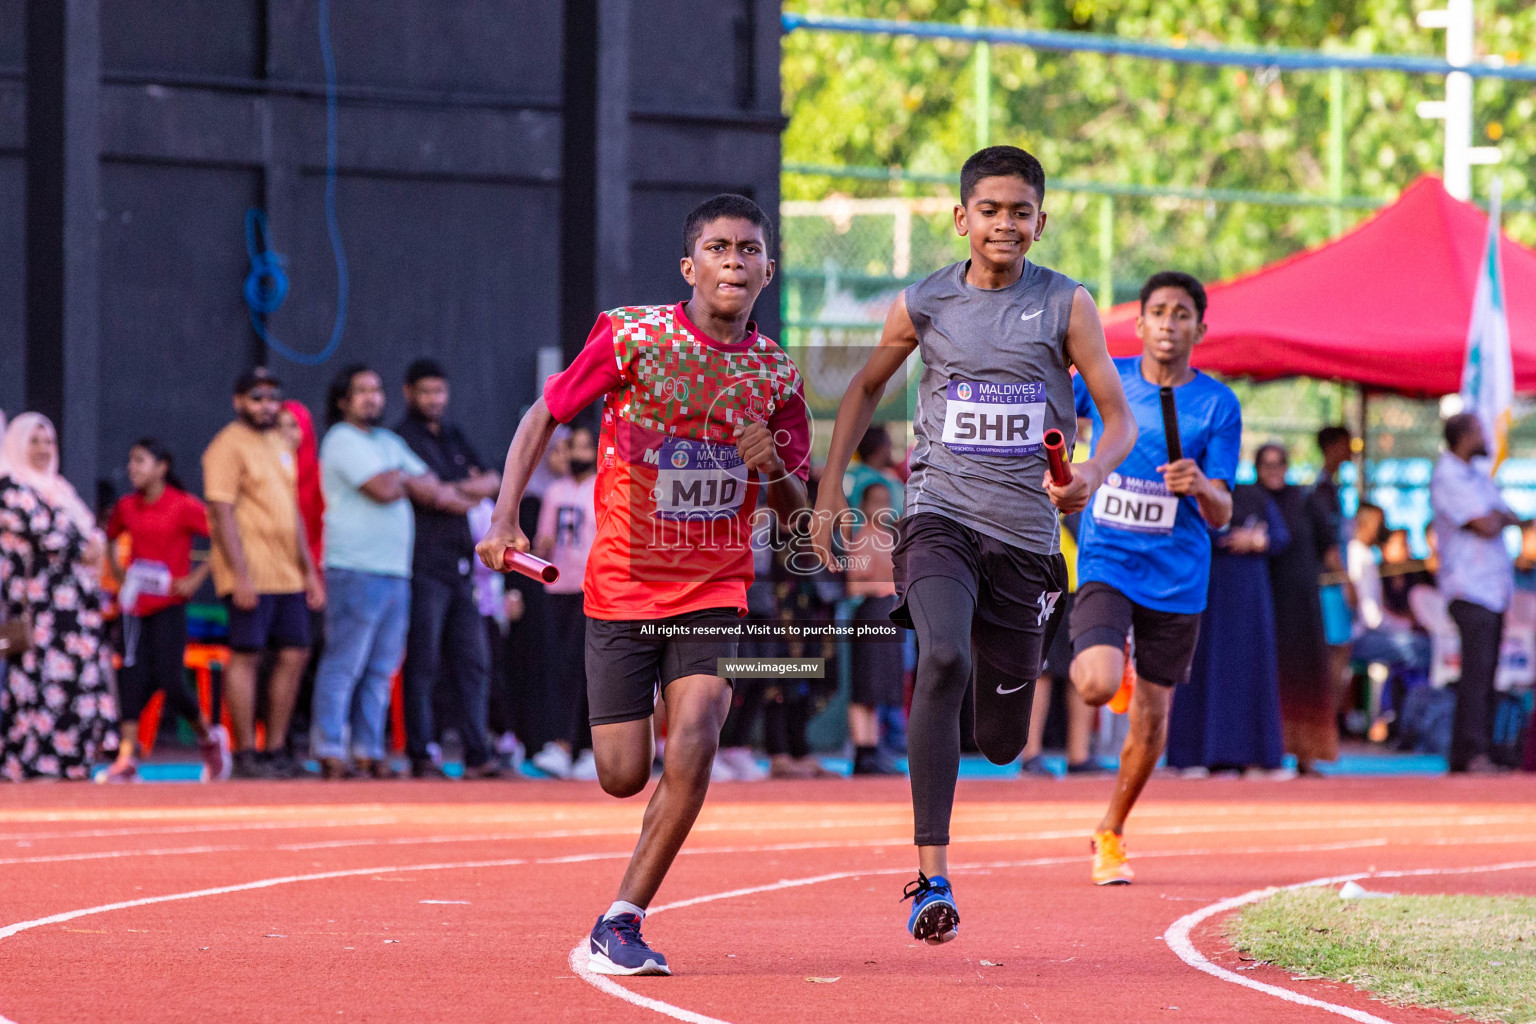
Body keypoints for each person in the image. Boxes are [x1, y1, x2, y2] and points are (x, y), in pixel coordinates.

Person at [476, 193, 811, 975]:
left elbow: (796, 518)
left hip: (716, 587)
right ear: (690, 266)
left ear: (769, 267)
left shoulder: (776, 374)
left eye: (749, 249)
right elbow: (542, 415)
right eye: (720, 248)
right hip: (623, 585)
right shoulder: (633, 335)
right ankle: (634, 764)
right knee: (623, 775)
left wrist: (775, 472)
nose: (735, 260)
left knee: (696, 735)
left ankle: (620, 920)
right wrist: (504, 517)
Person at [812, 146, 1136, 941]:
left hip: (1026, 540)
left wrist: (1091, 468)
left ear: (1041, 221)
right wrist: (827, 493)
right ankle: (931, 877)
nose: (1004, 224)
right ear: (961, 218)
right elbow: (861, 389)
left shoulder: (1067, 304)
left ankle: (983, 728)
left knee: (999, 741)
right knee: (944, 655)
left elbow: (1118, 415)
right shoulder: (924, 302)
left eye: (1019, 211)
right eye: (989, 210)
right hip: (938, 518)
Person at [1068, 270, 1240, 885]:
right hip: (1108, 561)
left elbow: (1224, 512)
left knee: (1150, 721)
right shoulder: (1106, 379)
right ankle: (1118, 663)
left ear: (1199, 327)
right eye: (1159, 312)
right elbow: (1051, 404)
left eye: (1182, 314)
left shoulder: (1218, 405)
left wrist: (1201, 487)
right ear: (1139, 324)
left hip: (1178, 579)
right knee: (1094, 685)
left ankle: (1111, 830)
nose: (1169, 324)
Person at [311, 364, 463, 780]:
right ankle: (329, 748)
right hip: (355, 568)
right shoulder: (341, 439)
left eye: (376, 390)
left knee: (381, 669)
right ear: (343, 400)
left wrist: (404, 480)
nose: (372, 398)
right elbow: (383, 490)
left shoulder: (388, 441)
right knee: (346, 663)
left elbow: (431, 485)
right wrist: (405, 480)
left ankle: (367, 750)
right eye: (361, 391)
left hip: (395, 570)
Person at [203, 368, 325, 779]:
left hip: (287, 573)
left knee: (295, 653)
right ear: (238, 401)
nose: (266, 405)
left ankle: (274, 749)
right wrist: (239, 575)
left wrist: (309, 572)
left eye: (273, 397)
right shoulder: (226, 445)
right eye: (256, 397)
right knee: (247, 654)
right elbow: (221, 513)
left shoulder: (279, 442)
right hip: (249, 572)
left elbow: (290, 510)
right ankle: (244, 753)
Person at [395, 358, 505, 780]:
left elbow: (491, 481)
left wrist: (452, 489)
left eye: (439, 391)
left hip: (462, 568)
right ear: (409, 393)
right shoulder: (402, 438)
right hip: (423, 564)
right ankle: (421, 753)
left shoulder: (455, 433)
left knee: (474, 660)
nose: (434, 399)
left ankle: (479, 754)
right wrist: (460, 491)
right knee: (424, 662)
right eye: (426, 392)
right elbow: (432, 496)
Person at [99, 438, 229, 783]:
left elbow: (221, 537)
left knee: (172, 681)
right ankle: (127, 758)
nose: (132, 468)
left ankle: (208, 737)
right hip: (133, 608)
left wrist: (195, 579)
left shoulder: (183, 505)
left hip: (169, 606)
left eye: (140, 461)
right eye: (130, 461)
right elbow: (110, 537)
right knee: (130, 677)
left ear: (162, 467)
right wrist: (117, 571)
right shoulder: (126, 507)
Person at [0, 414, 120, 780]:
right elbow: (49, 535)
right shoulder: (10, 488)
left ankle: (72, 760)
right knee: (37, 682)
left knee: (75, 683)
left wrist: (91, 545)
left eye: (47, 442)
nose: (41, 449)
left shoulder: (60, 488)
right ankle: (33, 761)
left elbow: (91, 538)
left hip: (76, 610)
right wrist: (85, 545)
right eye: (33, 441)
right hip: (39, 609)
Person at [1166, 469, 1287, 777]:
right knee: (1202, 666)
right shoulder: (1190, 490)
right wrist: (1227, 538)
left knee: (1250, 671)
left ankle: (1253, 756)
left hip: (1250, 602)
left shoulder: (1255, 496)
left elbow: (1281, 535)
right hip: (1208, 592)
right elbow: (1182, 531)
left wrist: (1259, 540)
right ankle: (1196, 754)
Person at [1431, 412, 1521, 775]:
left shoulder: (1478, 478)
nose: (1487, 439)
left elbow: (1507, 515)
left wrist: (1497, 517)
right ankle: (1470, 752)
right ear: (1464, 436)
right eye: (1481, 432)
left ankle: (1475, 749)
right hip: (1468, 587)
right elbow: (1485, 524)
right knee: (1475, 672)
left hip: (1494, 589)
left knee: (1486, 675)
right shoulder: (1448, 476)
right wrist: (1497, 518)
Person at [1258, 444, 1337, 773]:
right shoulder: (1251, 499)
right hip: (1264, 604)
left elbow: (1329, 549)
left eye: (1280, 463)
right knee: (1266, 676)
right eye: (1267, 464)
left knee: (1306, 677)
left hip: (1303, 605)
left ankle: (1307, 754)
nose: (1274, 469)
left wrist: (1349, 590)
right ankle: (1264, 751)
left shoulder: (1307, 500)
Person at [529, 423, 600, 781]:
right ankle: (560, 744)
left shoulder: (602, 489)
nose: (580, 456)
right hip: (559, 588)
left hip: (593, 589)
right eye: (575, 448)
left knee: (587, 667)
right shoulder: (555, 491)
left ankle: (589, 747)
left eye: (588, 448)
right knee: (560, 667)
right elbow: (544, 540)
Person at [1019, 511, 1098, 776]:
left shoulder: (1100, 469)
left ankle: (1079, 755)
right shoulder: (1052, 469)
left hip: (1087, 579)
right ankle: (1030, 754)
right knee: (1042, 670)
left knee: (1083, 667)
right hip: (1048, 579)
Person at [844, 480, 903, 775]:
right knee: (865, 687)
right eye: (875, 501)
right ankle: (863, 752)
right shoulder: (863, 538)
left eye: (886, 500)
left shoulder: (889, 538)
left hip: (890, 615)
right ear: (864, 506)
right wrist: (886, 586)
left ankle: (872, 749)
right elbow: (853, 586)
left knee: (879, 688)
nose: (882, 507)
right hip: (871, 615)